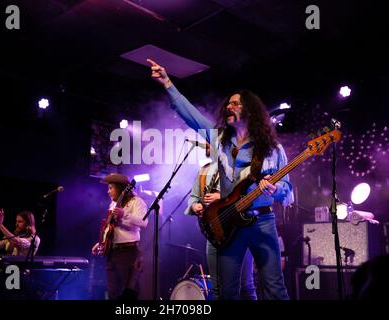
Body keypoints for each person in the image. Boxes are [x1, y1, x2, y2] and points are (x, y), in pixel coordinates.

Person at [148, 59, 294, 300]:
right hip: (230, 225)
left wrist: (275, 188)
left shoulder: (272, 149)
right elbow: (191, 116)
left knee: (275, 288)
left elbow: (287, 189)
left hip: (263, 222)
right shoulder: (219, 140)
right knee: (227, 292)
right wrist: (167, 83)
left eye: (235, 104)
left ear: (249, 111)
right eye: (228, 103)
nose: (229, 106)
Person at [185, 144, 257, 300]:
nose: (208, 145)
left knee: (246, 285)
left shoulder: (239, 164)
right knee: (217, 288)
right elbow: (194, 196)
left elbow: (249, 190)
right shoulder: (204, 170)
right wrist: (194, 205)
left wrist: (222, 196)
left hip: (238, 229)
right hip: (215, 232)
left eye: (213, 141)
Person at [92, 173, 148, 300]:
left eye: (111, 188)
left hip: (128, 252)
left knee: (128, 293)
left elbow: (144, 222)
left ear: (120, 188)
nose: (108, 191)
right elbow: (109, 227)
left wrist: (125, 215)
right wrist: (101, 243)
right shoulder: (113, 204)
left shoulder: (137, 202)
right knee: (113, 292)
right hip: (112, 252)